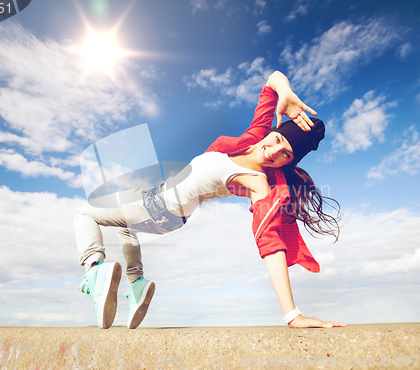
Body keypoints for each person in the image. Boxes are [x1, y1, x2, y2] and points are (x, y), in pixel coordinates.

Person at [74, 70, 344, 330]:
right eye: (276, 140)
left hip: (160, 207)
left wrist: (292, 315)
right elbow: (271, 81)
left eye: (285, 154)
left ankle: (94, 272)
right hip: (160, 203)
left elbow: (269, 241)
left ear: (289, 162)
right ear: (271, 132)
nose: (272, 151)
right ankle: (136, 284)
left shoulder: (258, 183)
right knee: (125, 226)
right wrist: (285, 92)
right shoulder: (250, 140)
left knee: (85, 214)